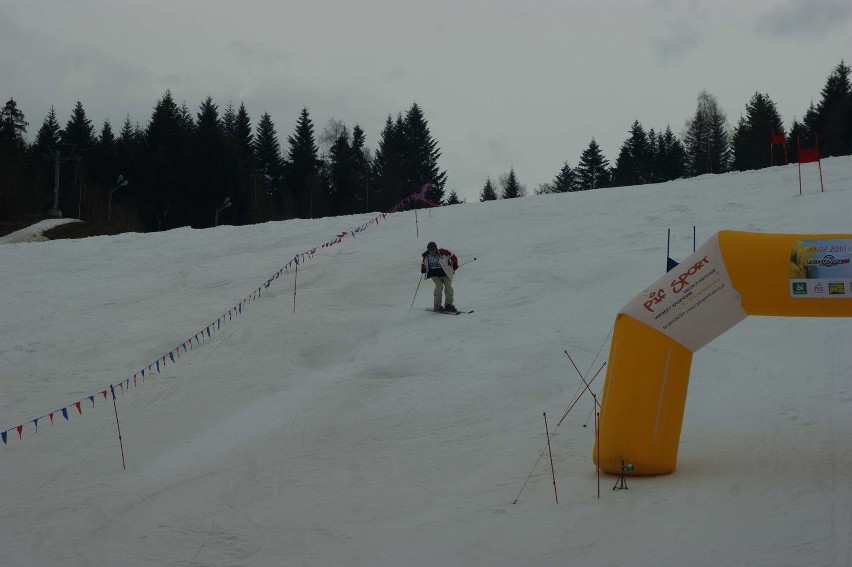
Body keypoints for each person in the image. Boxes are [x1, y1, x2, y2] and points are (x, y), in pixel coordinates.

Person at [421, 241, 459, 312]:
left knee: (448, 287)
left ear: (436, 248)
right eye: (430, 250)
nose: (432, 252)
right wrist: (423, 268)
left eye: (433, 250)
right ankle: (437, 305)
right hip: (435, 275)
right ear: (428, 250)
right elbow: (424, 262)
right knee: (439, 287)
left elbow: (452, 256)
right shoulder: (426, 256)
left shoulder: (443, 252)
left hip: (446, 274)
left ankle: (448, 305)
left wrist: (455, 264)